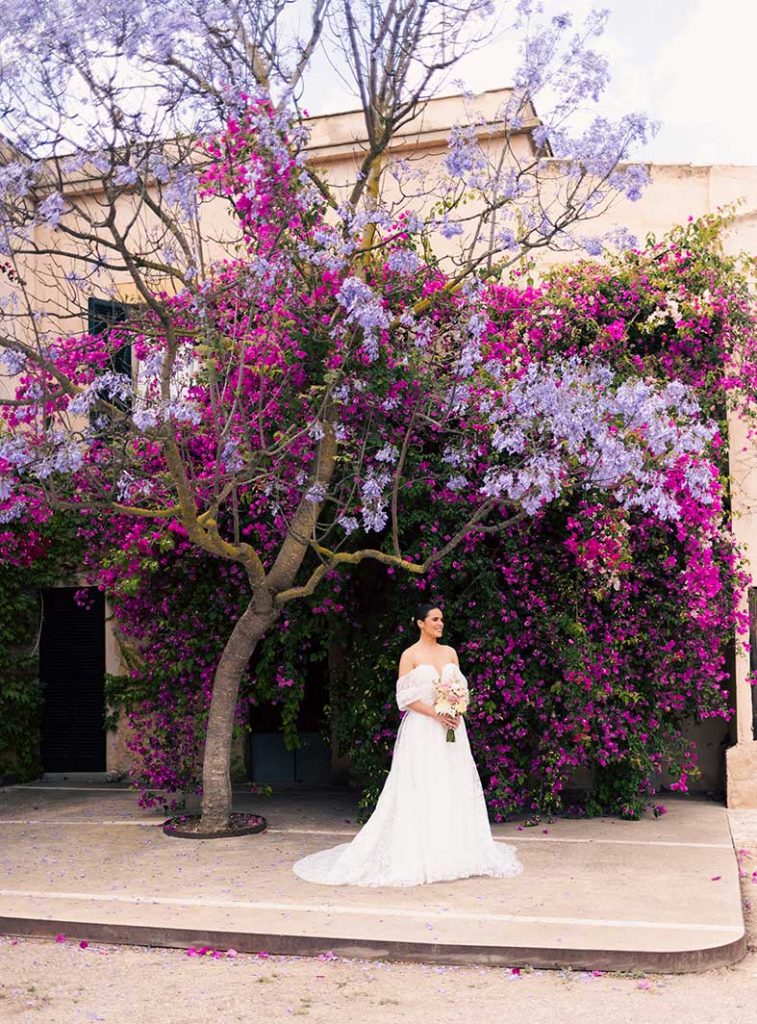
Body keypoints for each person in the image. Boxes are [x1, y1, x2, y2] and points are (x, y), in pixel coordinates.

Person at [292, 600, 523, 887]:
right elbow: (405, 699)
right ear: (420, 623)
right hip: (424, 728)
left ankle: (455, 849)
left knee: (452, 782)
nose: (440, 623)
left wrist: (456, 709)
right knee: (422, 784)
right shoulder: (410, 655)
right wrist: (437, 713)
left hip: (451, 729)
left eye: (442, 619)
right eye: (435, 619)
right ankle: (421, 852)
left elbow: (460, 689)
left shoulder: (450, 652)